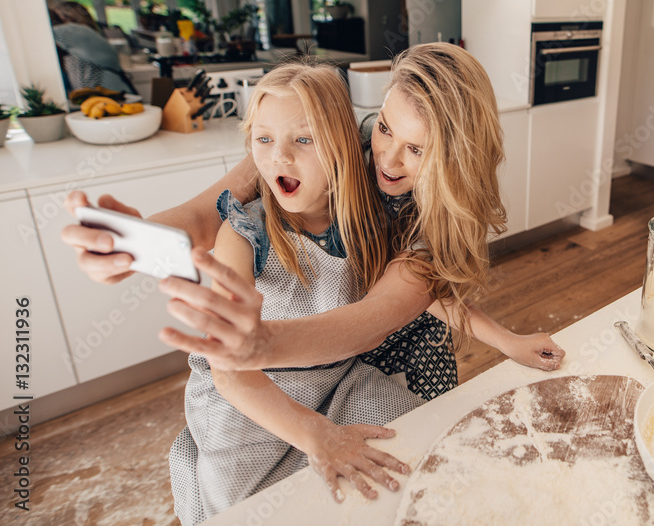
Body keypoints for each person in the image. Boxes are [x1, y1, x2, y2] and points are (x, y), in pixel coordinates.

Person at [61, 44, 564, 503]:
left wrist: (503, 339)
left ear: (455, 160)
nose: (386, 158)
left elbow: (378, 315)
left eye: (417, 149)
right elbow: (205, 215)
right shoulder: (312, 158)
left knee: (408, 468)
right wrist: (129, 242)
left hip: (362, 351)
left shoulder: (420, 223)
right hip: (283, 381)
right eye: (385, 128)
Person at [170, 63, 425, 524]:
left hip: (336, 380)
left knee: (412, 441)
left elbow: (428, 288)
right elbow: (229, 375)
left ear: (344, 148)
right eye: (263, 139)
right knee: (244, 509)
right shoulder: (242, 233)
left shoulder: (366, 217)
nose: (279, 159)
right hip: (244, 401)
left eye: (302, 140)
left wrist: (505, 339)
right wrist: (316, 435)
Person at [49, 3, 137, 94]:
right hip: (99, 94)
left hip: (110, 94)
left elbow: (43, 33)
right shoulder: (78, 38)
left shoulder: (74, 31)